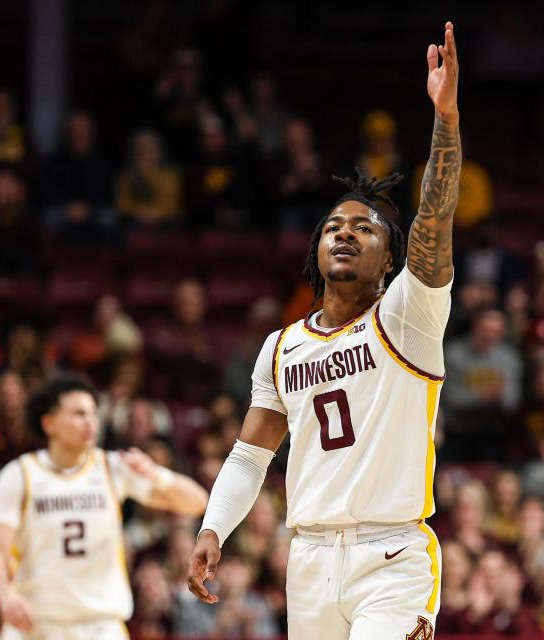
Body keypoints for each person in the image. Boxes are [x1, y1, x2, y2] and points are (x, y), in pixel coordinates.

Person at [187, 21, 461, 640]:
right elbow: (250, 456)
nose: (344, 231)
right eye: (335, 225)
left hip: (392, 558)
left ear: (389, 261)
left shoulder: (407, 318)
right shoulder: (282, 347)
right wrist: (212, 529)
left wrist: (445, 117)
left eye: (364, 228)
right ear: (315, 250)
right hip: (307, 559)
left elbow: (435, 217)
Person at [0, 375, 208, 640]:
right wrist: (5, 596)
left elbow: (197, 502)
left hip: (99, 625)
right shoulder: (20, 474)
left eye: (93, 413)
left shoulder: (114, 467)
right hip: (36, 621)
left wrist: (157, 474)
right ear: (49, 422)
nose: (90, 422)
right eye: (79, 414)